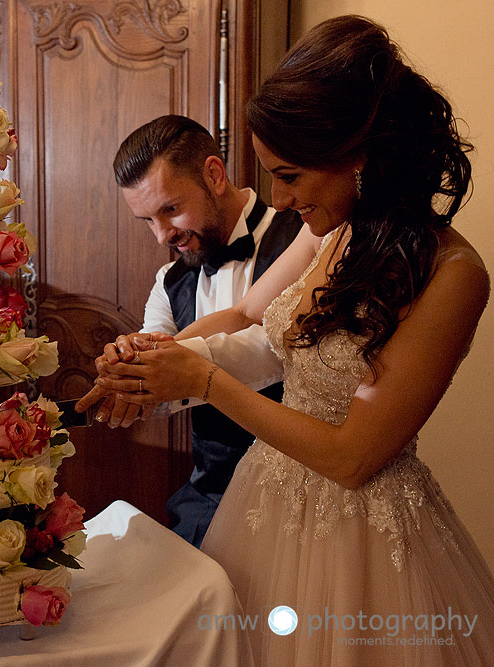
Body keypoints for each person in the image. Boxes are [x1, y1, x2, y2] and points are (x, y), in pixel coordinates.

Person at [86, 15, 494, 664]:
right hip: (265, 503)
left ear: (359, 156)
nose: (278, 195)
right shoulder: (328, 225)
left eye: (291, 175)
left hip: (363, 533)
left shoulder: (454, 275)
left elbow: (352, 458)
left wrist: (203, 380)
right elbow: (248, 315)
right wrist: (149, 357)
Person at [82, 115, 301, 547]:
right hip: (209, 496)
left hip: (300, 491)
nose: (163, 235)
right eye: (147, 220)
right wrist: (130, 369)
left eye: (170, 209)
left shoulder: (304, 237)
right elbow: (160, 373)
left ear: (214, 175)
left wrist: (169, 363)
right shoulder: (169, 280)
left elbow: (275, 350)